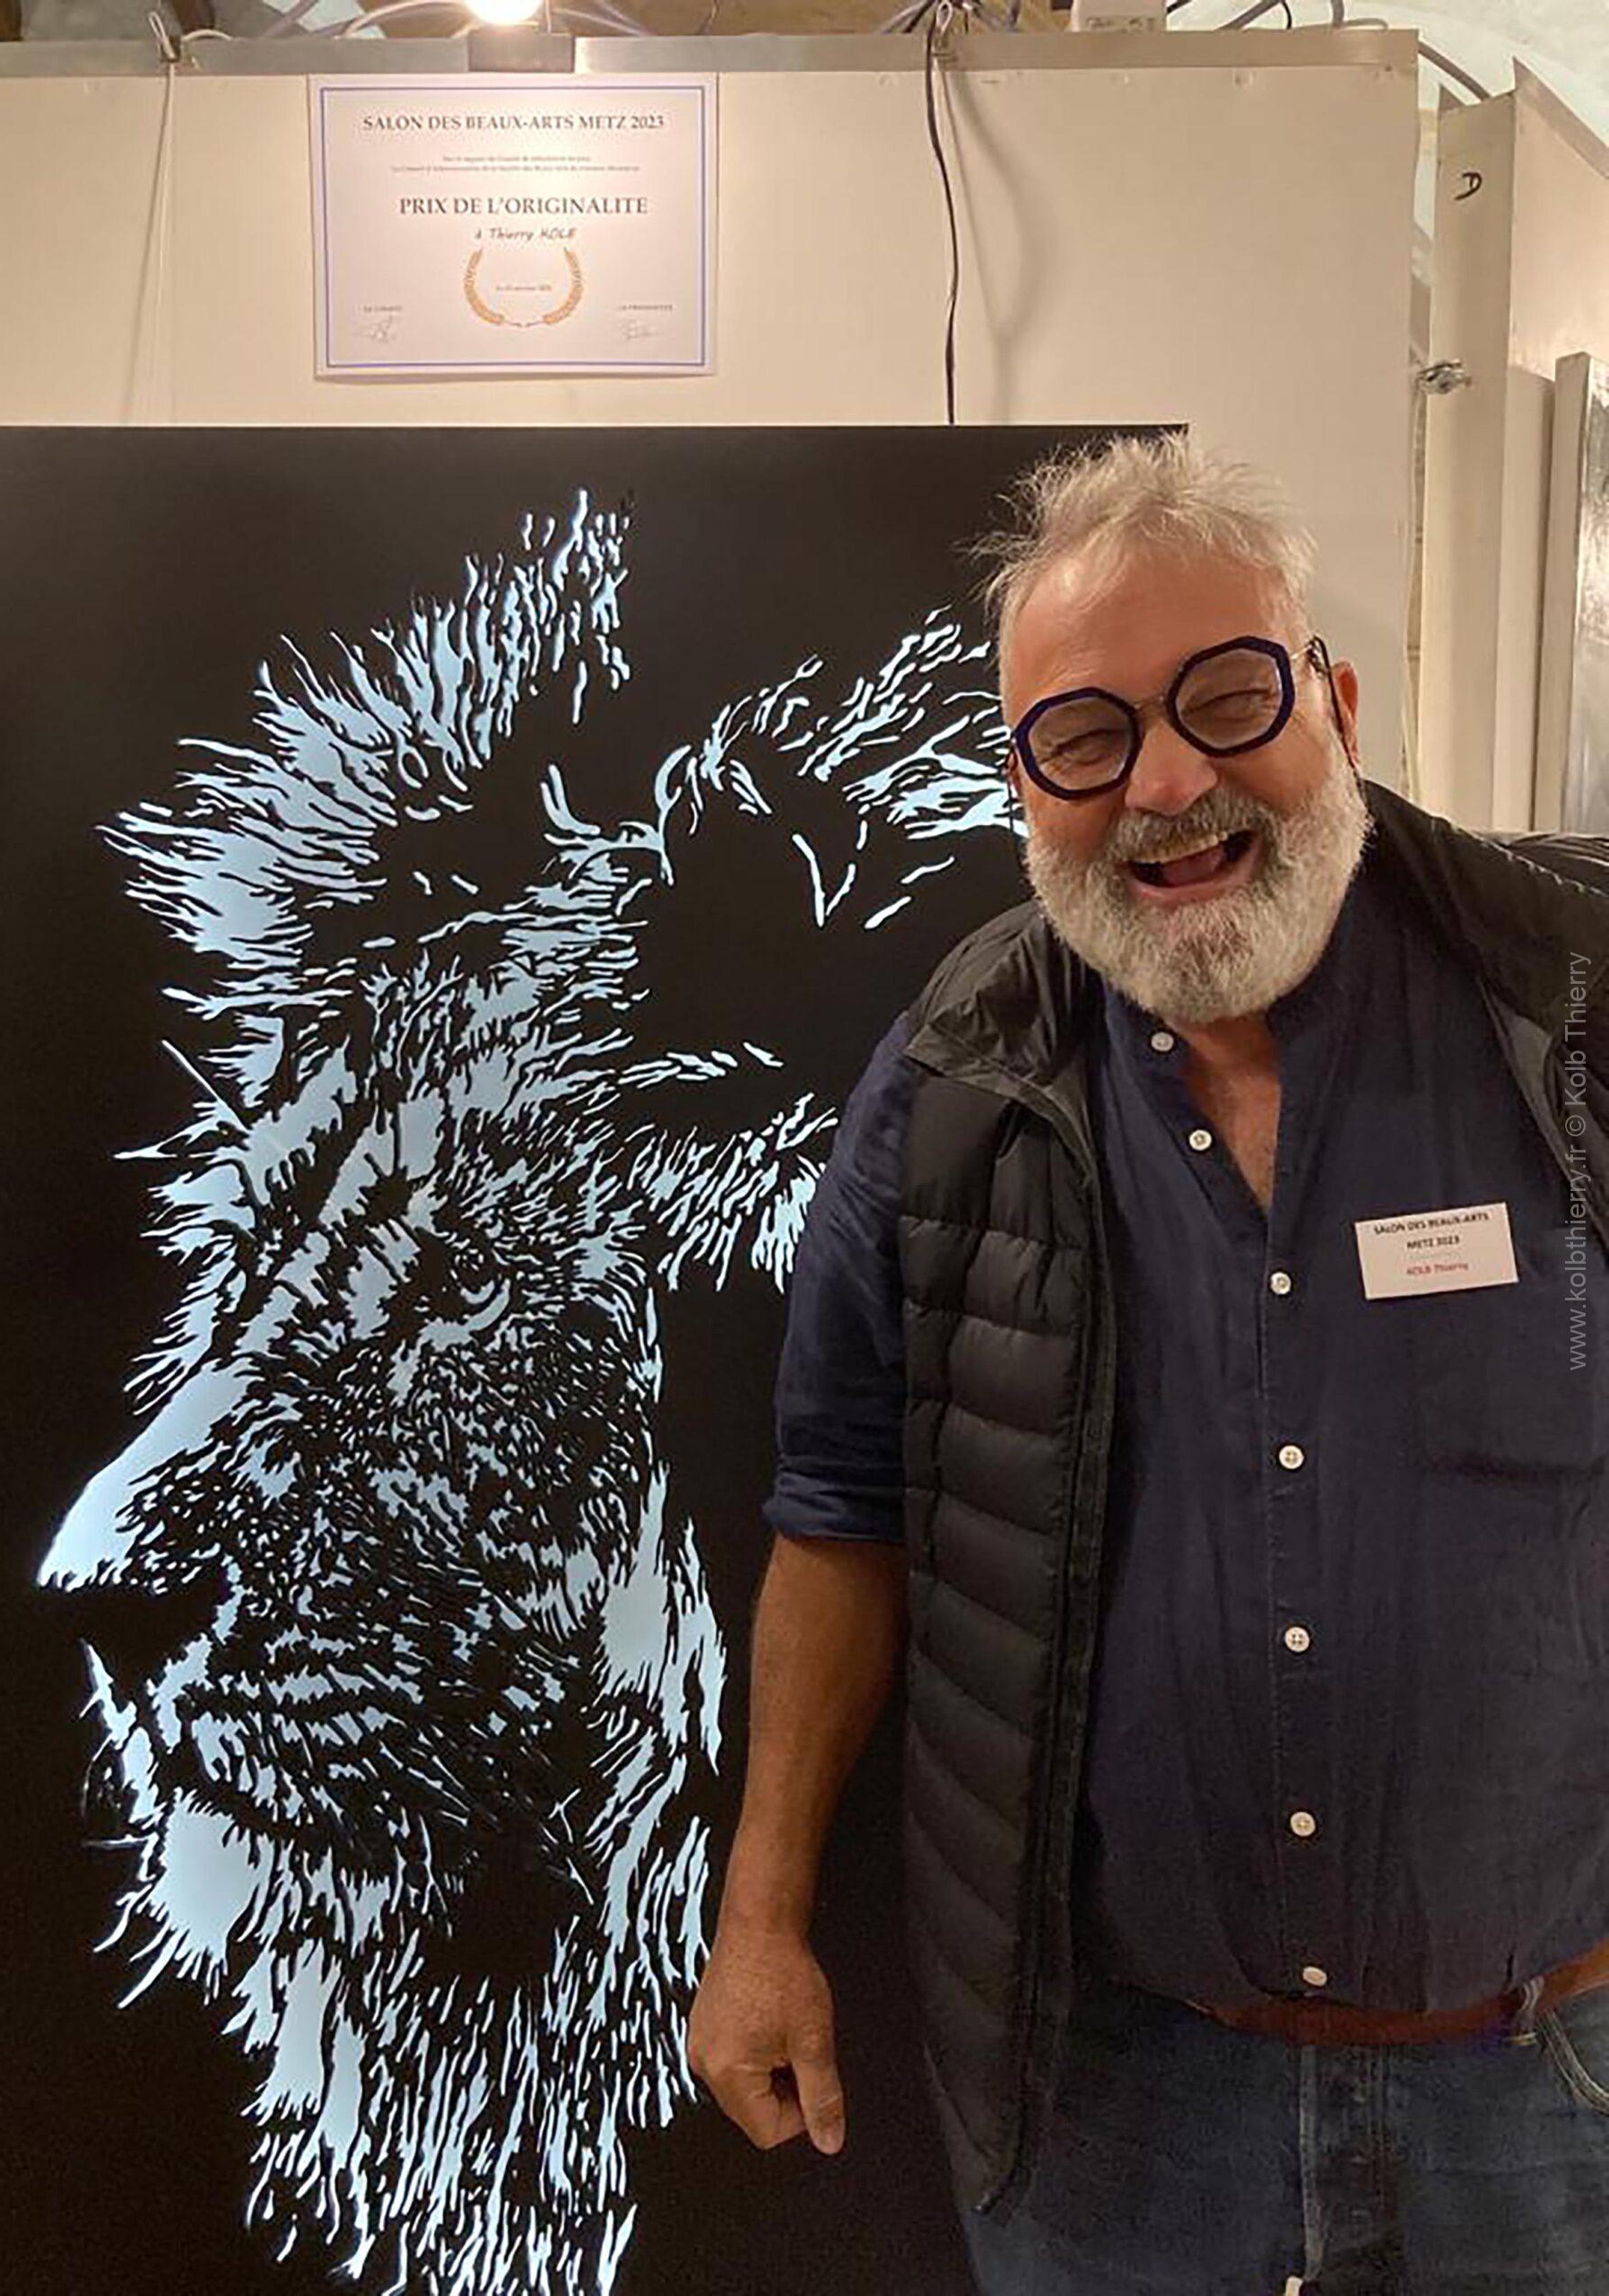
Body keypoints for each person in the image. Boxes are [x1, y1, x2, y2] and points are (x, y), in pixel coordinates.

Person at [686, 432, 1609, 2294]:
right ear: (1028, 783)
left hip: (1551, 2094)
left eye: (1225, 697)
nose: (1167, 783)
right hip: (1123, 2109)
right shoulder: (955, 1083)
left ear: (1334, 703)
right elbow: (841, 1516)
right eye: (1087, 735)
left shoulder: (1571, 1024)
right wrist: (764, 1913)